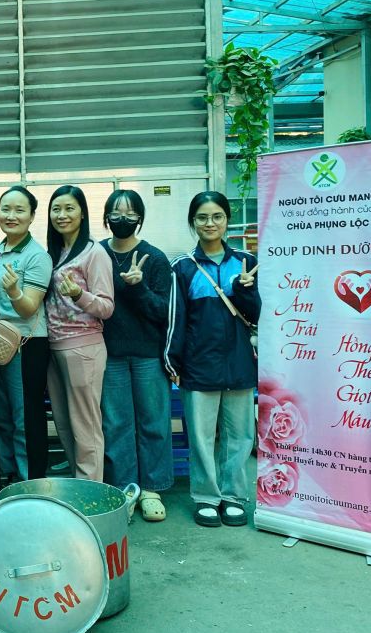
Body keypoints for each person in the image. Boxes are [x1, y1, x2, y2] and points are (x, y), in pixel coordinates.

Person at [165, 191, 261, 528]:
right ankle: (206, 497)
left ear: (227, 220)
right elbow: (175, 319)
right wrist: (173, 362)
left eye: (217, 216)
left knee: (240, 436)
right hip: (199, 364)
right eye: (203, 217)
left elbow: (258, 315)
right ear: (193, 222)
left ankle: (234, 496)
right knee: (202, 437)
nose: (210, 223)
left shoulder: (246, 261)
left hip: (239, 363)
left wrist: (246, 291)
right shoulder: (183, 267)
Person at [99, 189, 173, 522]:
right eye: (116, 212)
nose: (122, 218)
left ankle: (153, 488)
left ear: (140, 217)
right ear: (106, 217)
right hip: (109, 354)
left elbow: (163, 311)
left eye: (130, 213)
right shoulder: (98, 253)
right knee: (116, 425)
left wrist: (138, 287)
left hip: (147, 355)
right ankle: (125, 489)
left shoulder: (154, 258)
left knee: (153, 422)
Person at [45, 185, 114, 482]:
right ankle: (78, 486)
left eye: (69, 208)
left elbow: (106, 307)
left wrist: (78, 294)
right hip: (54, 347)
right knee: (64, 425)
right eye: (56, 209)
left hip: (83, 348)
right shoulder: (55, 251)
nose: (62, 215)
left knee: (86, 427)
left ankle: (91, 491)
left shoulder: (94, 252)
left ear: (82, 213)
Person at [0, 186, 52, 483]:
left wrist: (14, 291)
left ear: (32, 216)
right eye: (6, 209)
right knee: (1, 415)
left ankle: (31, 482)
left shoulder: (37, 256)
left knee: (24, 417)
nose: (11, 216)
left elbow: (29, 308)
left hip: (26, 345)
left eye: (19, 210)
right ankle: (7, 475)